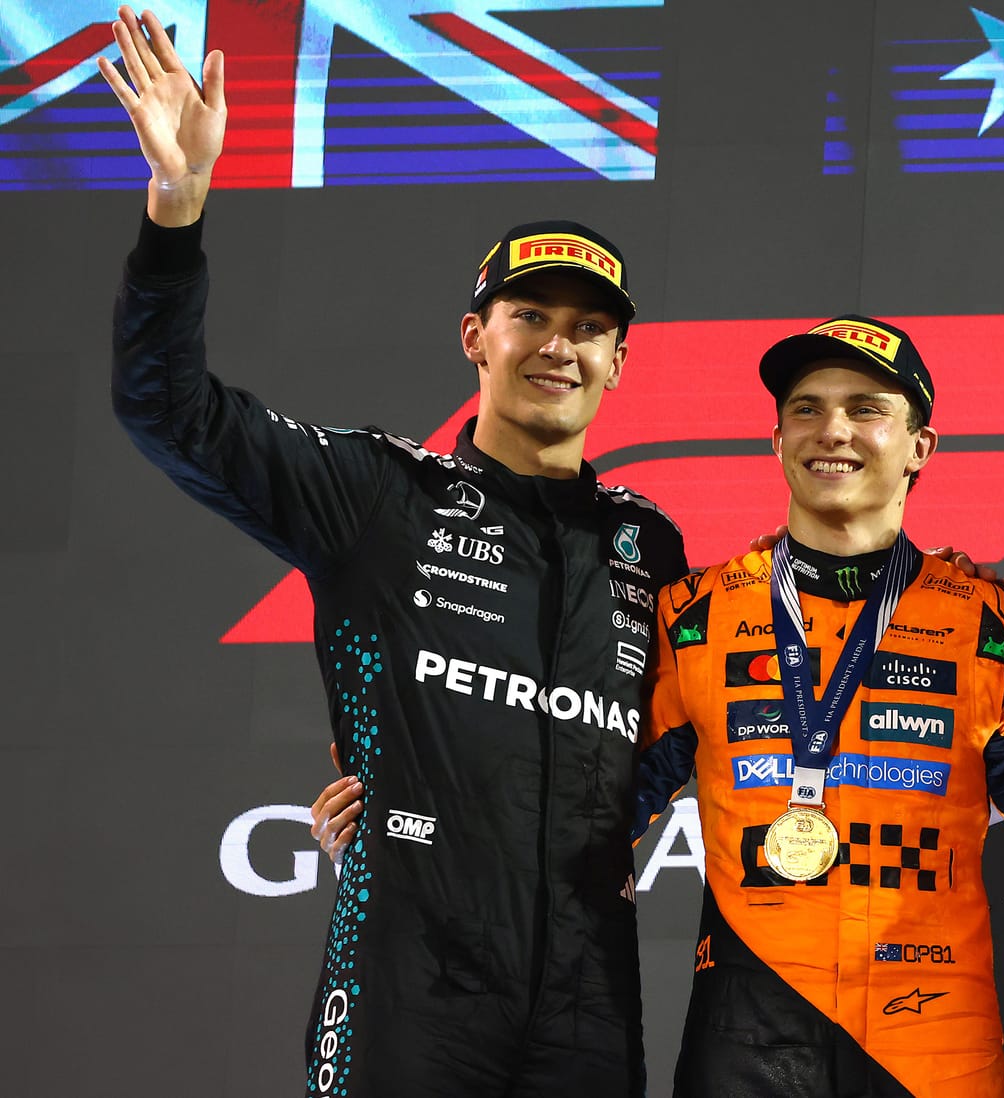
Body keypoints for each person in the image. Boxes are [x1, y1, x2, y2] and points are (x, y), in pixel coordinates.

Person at [103, 8, 686, 1095]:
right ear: (476, 337)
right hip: (411, 971)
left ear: (618, 360)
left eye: (588, 328)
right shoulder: (378, 491)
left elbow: (688, 726)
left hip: (588, 988)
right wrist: (177, 207)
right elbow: (170, 413)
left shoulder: (647, 543)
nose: (559, 345)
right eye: (529, 315)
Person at [631, 317, 1004, 1097]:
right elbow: (590, 817)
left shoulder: (988, 626)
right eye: (806, 408)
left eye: (866, 409)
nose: (832, 429)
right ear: (778, 440)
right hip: (748, 1035)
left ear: (920, 447)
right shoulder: (695, 616)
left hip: (931, 1040)